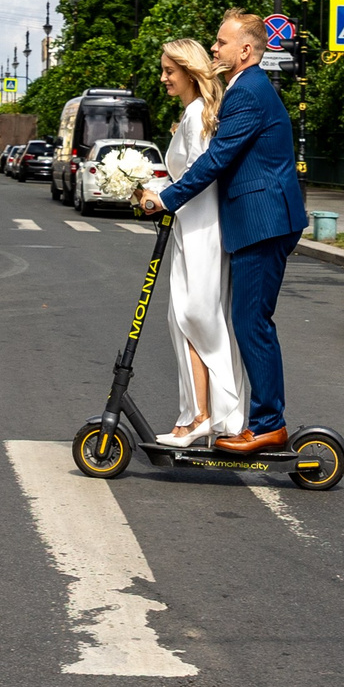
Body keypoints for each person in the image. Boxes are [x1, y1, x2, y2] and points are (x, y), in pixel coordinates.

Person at [139, 11, 308, 453]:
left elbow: (217, 161)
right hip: (259, 220)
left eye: (221, 42)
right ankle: (259, 419)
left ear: (246, 50)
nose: (214, 48)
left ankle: (269, 423)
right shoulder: (243, 89)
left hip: (263, 220)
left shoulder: (248, 92)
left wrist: (167, 198)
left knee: (252, 323)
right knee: (249, 321)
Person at [154, 38, 247, 448]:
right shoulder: (194, 114)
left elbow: (198, 175)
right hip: (190, 225)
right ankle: (197, 414)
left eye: (168, 71)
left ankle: (204, 416)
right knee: (187, 318)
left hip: (201, 228)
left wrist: (161, 196)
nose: (163, 79)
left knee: (195, 316)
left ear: (189, 72)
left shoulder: (196, 116)